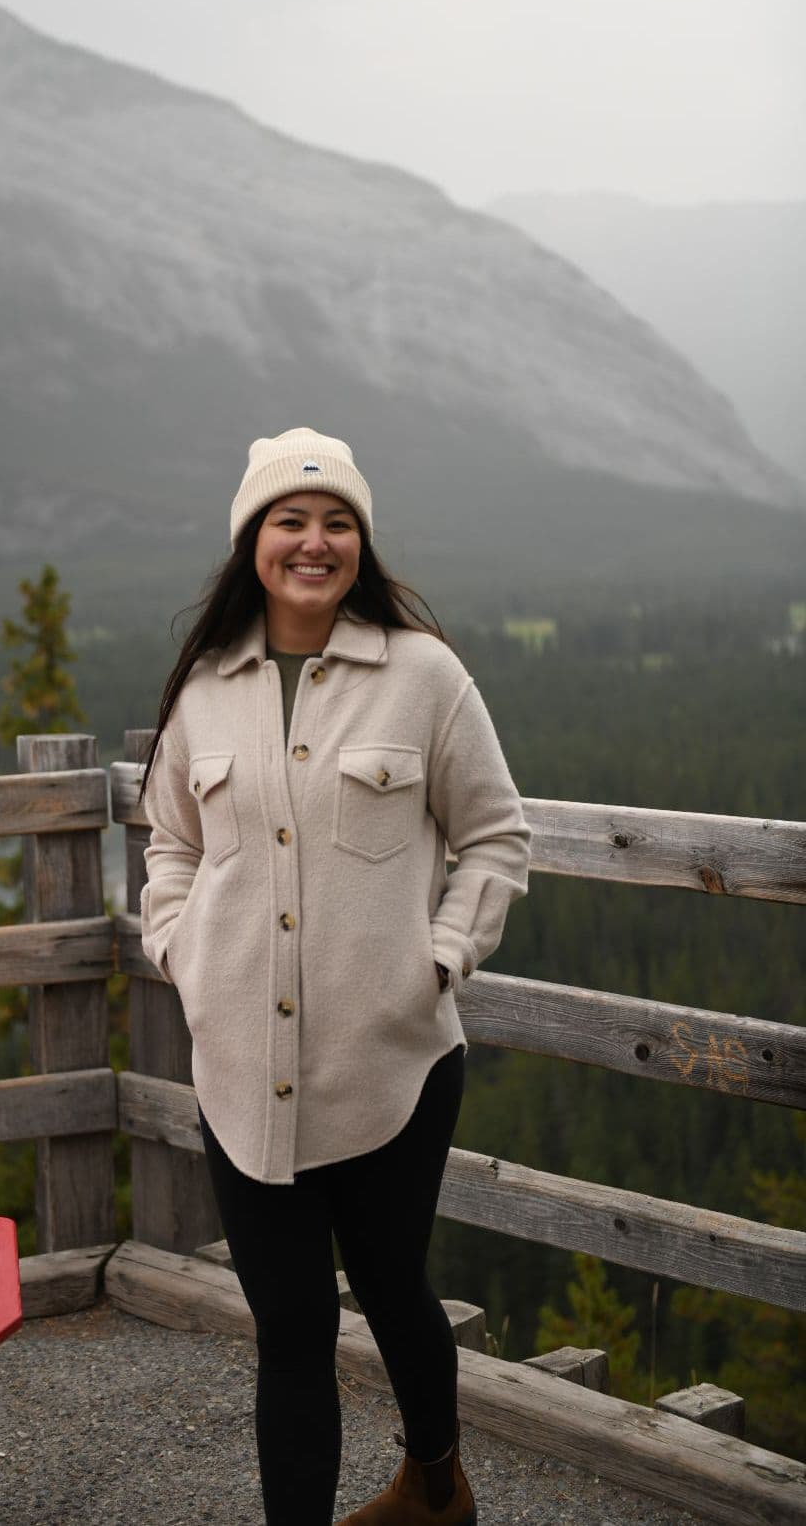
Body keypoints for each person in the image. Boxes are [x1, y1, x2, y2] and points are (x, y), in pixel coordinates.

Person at [139, 426, 532, 1526]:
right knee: (293, 1333)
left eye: (337, 521)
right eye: (290, 520)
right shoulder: (205, 687)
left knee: (397, 1290)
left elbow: (497, 838)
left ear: (361, 542)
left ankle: (435, 1481)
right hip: (237, 1070)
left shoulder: (424, 676)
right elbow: (168, 844)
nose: (315, 541)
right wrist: (177, 945)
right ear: (251, 542)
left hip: (392, 1062)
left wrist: (441, 956)